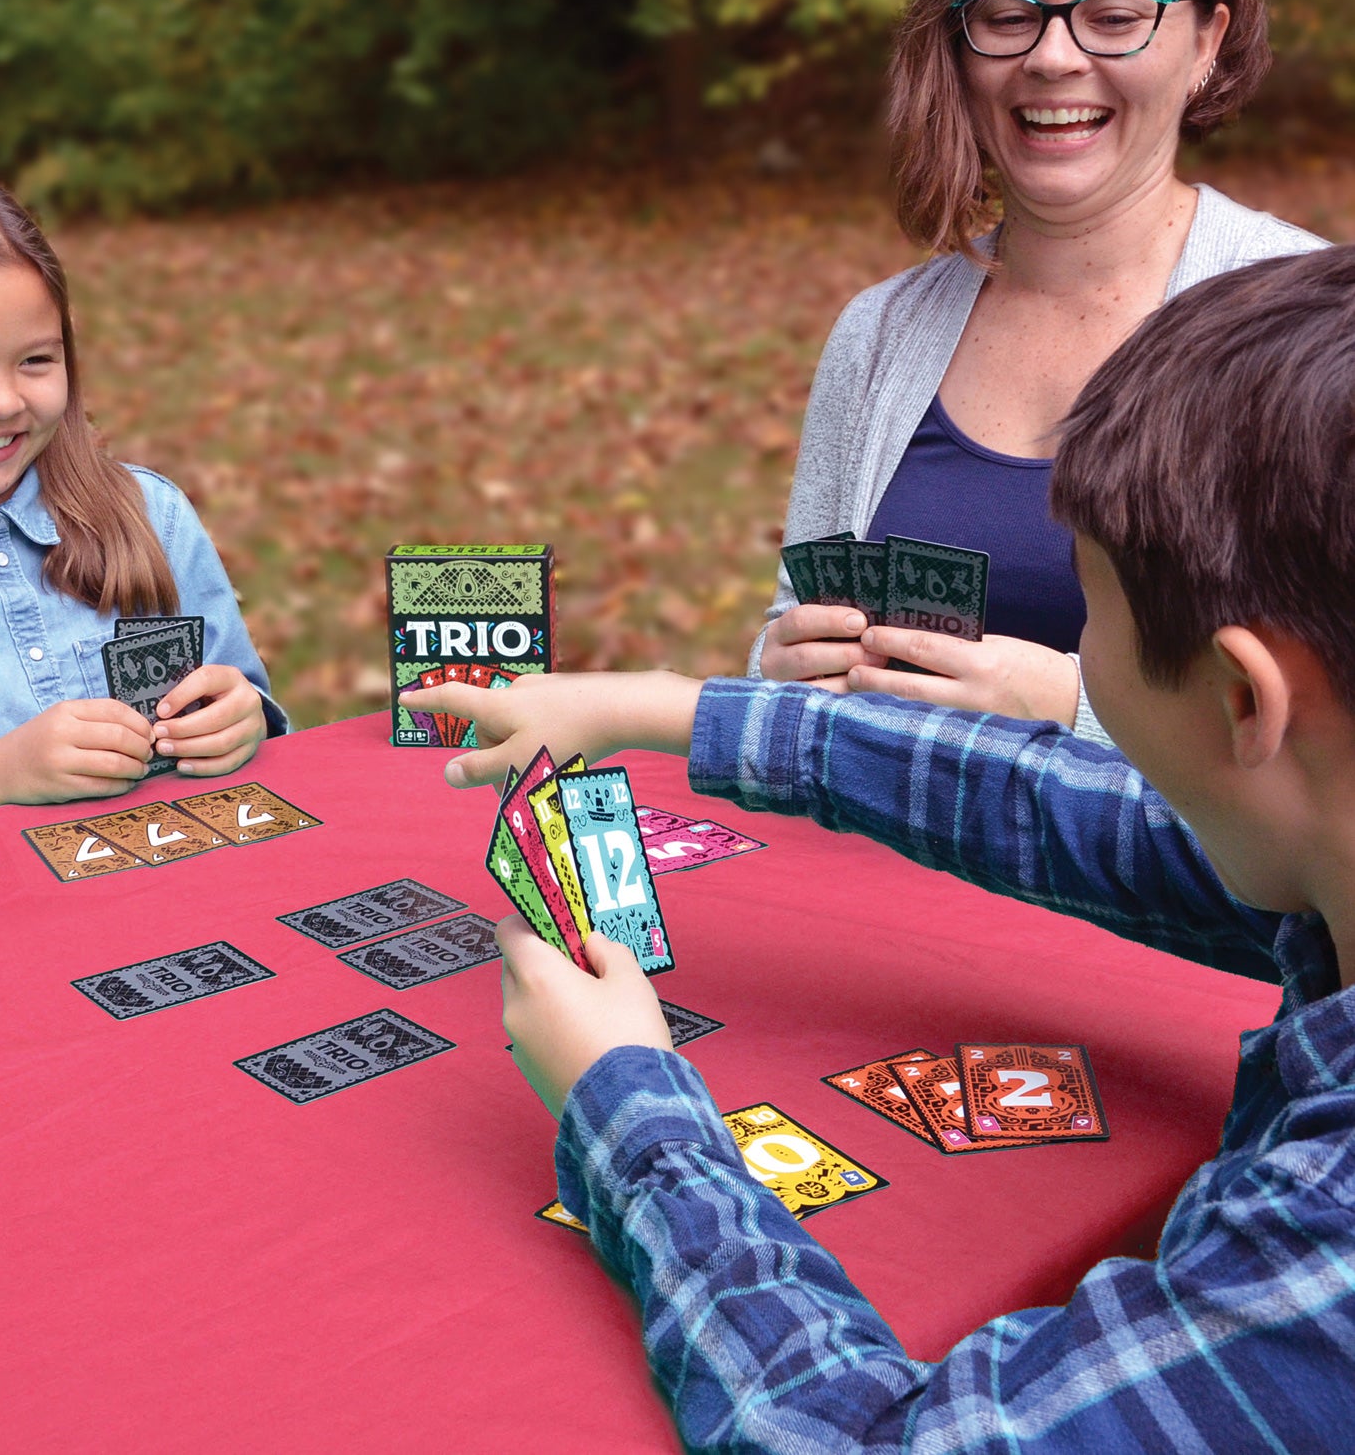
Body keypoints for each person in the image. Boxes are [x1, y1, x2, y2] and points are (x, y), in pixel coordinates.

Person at [405, 245, 1355, 1449]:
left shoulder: (1322, 1247)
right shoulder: (1327, 850)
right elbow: (1072, 813)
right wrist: (672, 709)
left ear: (1242, 700)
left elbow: (855, 1438)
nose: (1083, 661)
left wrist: (628, 1104)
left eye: (1088, 616)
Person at [756, 0, 1324, 747]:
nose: (1053, 57)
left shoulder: (1315, 334)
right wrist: (781, 666)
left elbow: (1331, 752)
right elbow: (788, 635)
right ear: (958, 46)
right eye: (1008, 16)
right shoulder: (880, 332)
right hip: (875, 864)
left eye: (1116, 17)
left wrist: (1075, 705)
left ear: (1206, 42)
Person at [0, 172, 287, 839]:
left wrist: (243, 719)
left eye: (34, 360)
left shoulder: (151, 514)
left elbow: (249, 708)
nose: (1, 401)